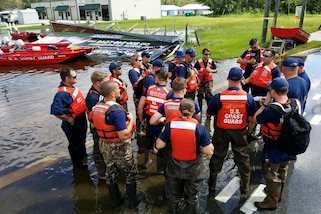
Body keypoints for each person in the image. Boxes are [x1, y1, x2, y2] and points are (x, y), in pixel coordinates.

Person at [89, 80, 144, 209]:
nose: (120, 91)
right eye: (118, 90)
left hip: (104, 144)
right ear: (113, 93)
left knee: (111, 170)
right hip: (119, 145)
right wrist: (131, 119)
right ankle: (132, 201)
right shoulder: (116, 111)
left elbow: (92, 125)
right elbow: (123, 134)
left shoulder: (97, 107)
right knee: (130, 172)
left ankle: (116, 200)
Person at [156, 99, 214, 214]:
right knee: (193, 197)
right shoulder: (199, 128)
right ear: (193, 112)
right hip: (193, 170)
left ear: (179, 110)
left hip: (174, 168)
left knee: (173, 196)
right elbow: (209, 151)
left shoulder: (170, 125)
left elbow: (159, 145)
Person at [207, 67, 257, 194]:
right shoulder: (248, 98)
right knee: (242, 157)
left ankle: (212, 185)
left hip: (221, 131)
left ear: (228, 78)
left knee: (218, 156)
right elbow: (251, 119)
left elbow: (209, 114)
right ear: (241, 80)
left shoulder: (219, 97)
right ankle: (245, 186)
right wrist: (249, 132)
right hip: (240, 132)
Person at [253, 77, 295, 210]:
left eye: (270, 89)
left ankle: (272, 202)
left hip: (274, 148)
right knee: (283, 170)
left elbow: (255, 119)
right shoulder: (294, 103)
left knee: (271, 174)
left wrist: (265, 104)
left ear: (273, 91)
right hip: (288, 146)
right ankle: (278, 195)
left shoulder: (272, 110)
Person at [50, 68, 88, 168]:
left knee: (81, 140)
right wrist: (68, 119)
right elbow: (56, 111)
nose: (77, 78)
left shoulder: (71, 88)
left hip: (80, 118)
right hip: (73, 122)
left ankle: (83, 156)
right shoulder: (62, 94)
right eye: (74, 77)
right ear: (67, 79)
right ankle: (77, 165)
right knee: (75, 144)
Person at [138, 68, 173, 171]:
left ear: (156, 78)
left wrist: (141, 120)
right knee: (161, 144)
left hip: (149, 119)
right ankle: (160, 169)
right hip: (161, 120)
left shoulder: (149, 88)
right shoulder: (169, 91)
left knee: (148, 141)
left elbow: (140, 107)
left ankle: (146, 162)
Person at [85, 71, 108, 179]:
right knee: (98, 149)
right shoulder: (92, 97)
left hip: (102, 124)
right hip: (97, 126)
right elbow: (93, 116)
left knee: (103, 147)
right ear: (98, 83)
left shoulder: (100, 93)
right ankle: (102, 173)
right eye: (104, 81)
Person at [194, 48, 218, 115]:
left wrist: (211, 70)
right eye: (206, 54)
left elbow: (216, 70)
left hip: (208, 80)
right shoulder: (198, 62)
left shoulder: (211, 61)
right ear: (203, 54)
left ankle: (209, 110)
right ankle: (200, 110)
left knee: (209, 95)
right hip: (200, 81)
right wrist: (199, 71)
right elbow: (194, 70)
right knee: (200, 95)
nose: (207, 56)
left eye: (209, 54)